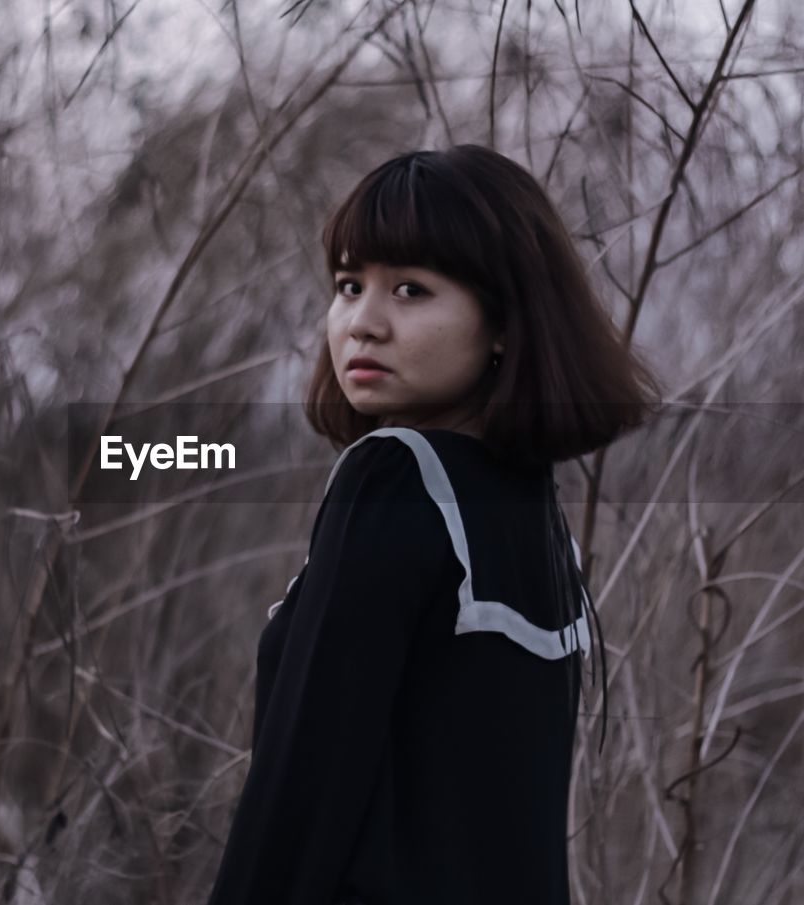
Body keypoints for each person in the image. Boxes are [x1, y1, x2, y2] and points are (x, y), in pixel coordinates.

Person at [205, 144, 662, 905]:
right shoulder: (539, 520)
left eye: (411, 289)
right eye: (349, 285)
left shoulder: (394, 477)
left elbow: (302, 792)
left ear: (504, 324)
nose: (363, 323)